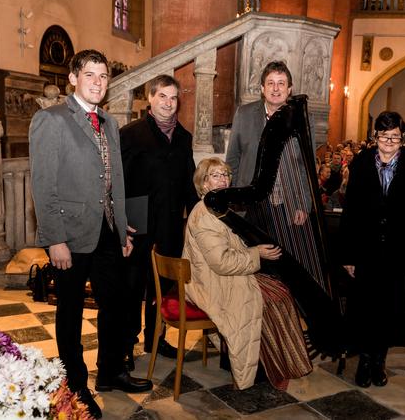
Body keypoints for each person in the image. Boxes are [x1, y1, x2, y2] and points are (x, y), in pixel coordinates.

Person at [29, 49, 152, 419]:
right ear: (73, 78)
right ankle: (76, 385)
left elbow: (115, 180)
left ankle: (111, 372)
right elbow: (43, 185)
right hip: (70, 234)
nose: (98, 82)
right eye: (90, 75)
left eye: (103, 76)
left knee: (114, 306)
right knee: (70, 311)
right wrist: (54, 239)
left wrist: (123, 227)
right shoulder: (51, 120)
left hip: (108, 232)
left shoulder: (110, 123)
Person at [182, 157, 313, 390]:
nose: (223, 179)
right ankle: (267, 367)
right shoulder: (204, 216)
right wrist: (257, 254)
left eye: (225, 175)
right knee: (274, 299)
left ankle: (272, 362)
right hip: (212, 282)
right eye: (215, 175)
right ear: (203, 184)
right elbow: (222, 263)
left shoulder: (217, 208)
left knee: (280, 291)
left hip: (222, 275)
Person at [339, 111, 405, 388]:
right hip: (365, 250)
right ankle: (364, 360)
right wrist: (348, 254)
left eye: (395, 136)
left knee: (389, 309)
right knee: (365, 308)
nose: (389, 141)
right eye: (384, 136)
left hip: (399, 251)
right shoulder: (362, 162)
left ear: (403, 137)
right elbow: (350, 211)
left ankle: (379, 361)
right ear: (374, 136)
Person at [120, 75, 199, 366]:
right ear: (150, 98)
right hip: (136, 223)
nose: (168, 102)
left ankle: (156, 338)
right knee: (132, 286)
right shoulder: (130, 134)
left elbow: (189, 183)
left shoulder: (183, 137)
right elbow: (118, 182)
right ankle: (126, 344)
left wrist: (199, 215)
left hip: (169, 224)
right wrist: (119, 221)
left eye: (173, 97)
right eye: (162, 96)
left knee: (162, 288)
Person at [225, 60, 307, 225]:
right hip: (249, 204)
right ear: (263, 88)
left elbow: (305, 167)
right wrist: (233, 198)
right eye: (270, 83)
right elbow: (232, 160)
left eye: (281, 83)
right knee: (249, 249)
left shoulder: (302, 119)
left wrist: (303, 205)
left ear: (289, 89)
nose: (276, 89)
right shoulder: (244, 114)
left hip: (287, 205)